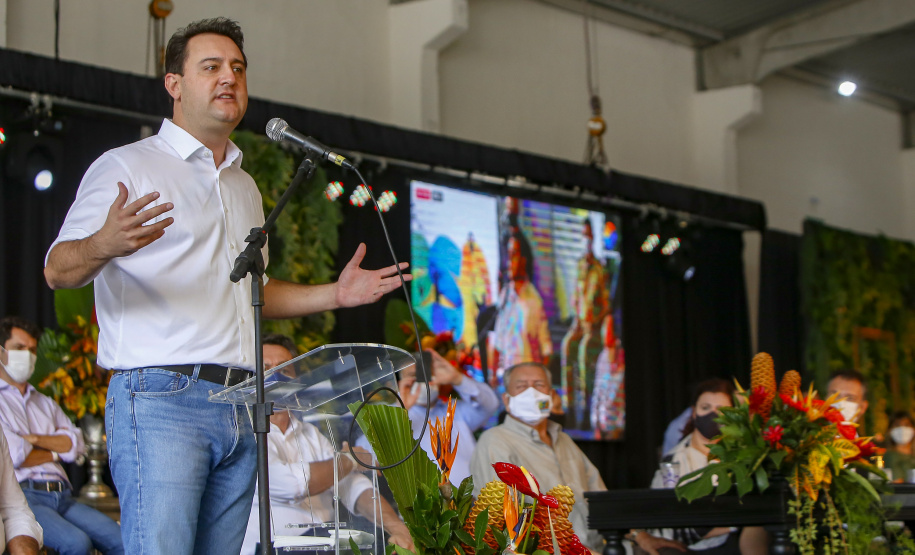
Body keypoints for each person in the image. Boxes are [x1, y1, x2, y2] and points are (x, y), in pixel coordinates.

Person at [43, 18, 409, 553]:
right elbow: (57, 269)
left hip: (242, 402)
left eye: (238, 68)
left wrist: (334, 295)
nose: (228, 78)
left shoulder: (244, 187)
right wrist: (104, 243)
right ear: (174, 84)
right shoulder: (127, 165)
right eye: (211, 67)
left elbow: (254, 292)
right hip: (164, 398)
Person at [241, 335, 413, 555]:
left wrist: (397, 528)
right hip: (269, 548)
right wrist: (350, 460)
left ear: (296, 380)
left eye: (284, 370)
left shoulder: (310, 433)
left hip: (325, 545)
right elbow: (291, 484)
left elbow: (351, 486)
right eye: (266, 369)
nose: (276, 377)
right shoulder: (243, 434)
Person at [0, 317, 122, 554]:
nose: (27, 355)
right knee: (77, 544)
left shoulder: (45, 402)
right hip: (26, 495)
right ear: (2, 353)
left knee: (122, 540)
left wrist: (33, 440)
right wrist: (57, 451)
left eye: (32, 350)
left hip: (63, 495)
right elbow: (15, 455)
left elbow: (77, 444)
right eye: (19, 348)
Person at [470, 362, 606, 553]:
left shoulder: (564, 440)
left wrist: (635, 535)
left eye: (539, 384)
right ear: (506, 400)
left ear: (551, 396)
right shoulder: (495, 441)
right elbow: (503, 521)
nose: (531, 392)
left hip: (600, 546)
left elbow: (600, 496)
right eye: (521, 386)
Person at [630, 379, 767, 555]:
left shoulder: (741, 455)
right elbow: (678, 529)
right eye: (705, 407)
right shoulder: (675, 461)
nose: (713, 414)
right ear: (694, 412)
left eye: (721, 409)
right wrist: (736, 524)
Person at [359, 347, 499, 486]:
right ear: (399, 383)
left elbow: (491, 404)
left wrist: (458, 379)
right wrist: (399, 411)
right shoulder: (393, 415)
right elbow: (364, 452)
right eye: (414, 375)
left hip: (479, 495)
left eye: (427, 374)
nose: (423, 381)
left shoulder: (454, 410)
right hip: (430, 500)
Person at [560, 219, 610, 429]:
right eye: (583, 235)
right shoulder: (580, 265)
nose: (586, 240)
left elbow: (606, 305)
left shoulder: (600, 269)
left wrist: (593, 323)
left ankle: (587, 410)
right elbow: (576, 298)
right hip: (579, 323)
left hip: (595, 327)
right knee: (566, 346)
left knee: (583, 351)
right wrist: (577, 321)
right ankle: (569, 408)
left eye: (588, 236)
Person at [488, 231, 552, 390]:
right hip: (507, 381)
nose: (509, 261)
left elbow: (546, 348)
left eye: (514, 255)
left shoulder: (534, 300)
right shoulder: (505, 295)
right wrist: (493, 374)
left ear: (523, 260)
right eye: (508, 255)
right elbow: (498, 341)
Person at [884, 411, 915, 483]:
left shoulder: (912, 455)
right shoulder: (891, 456)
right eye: (897, 425)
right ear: (890, 430)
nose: (902, 429)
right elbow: (897, 483)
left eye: (906, 425)